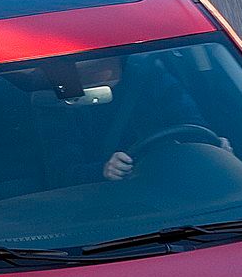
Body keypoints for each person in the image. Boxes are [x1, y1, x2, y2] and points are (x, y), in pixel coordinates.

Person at [35, 51, 215, 188]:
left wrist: (212, 148)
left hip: (172, 186)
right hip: (103, 208)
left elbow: (192, 123)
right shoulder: (59, 98)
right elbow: (61, 172)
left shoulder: (150, 76)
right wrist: (103, 171)